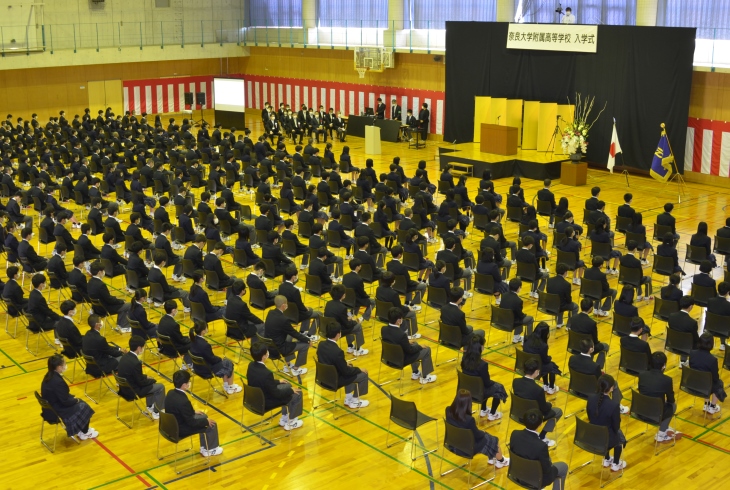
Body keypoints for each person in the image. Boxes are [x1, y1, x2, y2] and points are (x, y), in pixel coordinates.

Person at [165, 370, 224, 457]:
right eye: (188, 381)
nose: (189, 383)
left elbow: (179, 410)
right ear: (184, 385)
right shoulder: (183, 401)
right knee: (212, 424)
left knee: (203, 416)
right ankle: (211, 449)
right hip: (180, 429)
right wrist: (206, 422)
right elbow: (191, 422)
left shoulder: (171, 393)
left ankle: (204, 447)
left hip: (171, 425)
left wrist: (193, 411)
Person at [445, 389, 510, 467]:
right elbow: (478, 435)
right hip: (467, 448)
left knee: (487, 439)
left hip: (454, 442)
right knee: (494, 440)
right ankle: (501, 461)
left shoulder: (448, 410)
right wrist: (484, 432)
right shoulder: (469, 420)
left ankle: (493, 457)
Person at [40, 354, 98, 441]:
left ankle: (81, 429)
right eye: (64, 364)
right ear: (59, 367)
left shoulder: (49, 375)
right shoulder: (57, 382)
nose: (65, 365)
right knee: (83, 406)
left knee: (79, 403)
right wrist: (76, 400)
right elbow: (65, 401)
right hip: (57, 409)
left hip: (50, 407)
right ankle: (85, 432)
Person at [317, 322, 371, 408]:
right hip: (333, 381)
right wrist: (359, 369)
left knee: (349, 366)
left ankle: (348, 397)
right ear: (338, 334)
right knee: (363, 375)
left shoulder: (321, 344)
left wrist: (344, 364)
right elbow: (346, 372)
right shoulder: (338, 352)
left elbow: (327, 360)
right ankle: (354, 400)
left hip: (322, 378)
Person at [512, 359, 562, 445]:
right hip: (532, 418)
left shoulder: (515, 382)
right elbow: (544, 409)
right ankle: (542, 436)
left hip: (518, 413)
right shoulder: (538, 390)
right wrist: (549, 404)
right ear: (536, 372)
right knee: (558, 412)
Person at [381, 307, 437, 384]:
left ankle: (415, 372)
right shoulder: (401, 334)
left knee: (414, 343)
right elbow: (410, 351)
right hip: (400, 360)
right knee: (426, 350)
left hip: (389, 357)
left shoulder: (383, 329)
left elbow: (393, 340)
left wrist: (407, 342)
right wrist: (420, 346)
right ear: (398, 321)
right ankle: (425, 377)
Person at [117, 335, 165, 419]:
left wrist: (146, 377)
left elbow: (134, 375)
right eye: (143, 347)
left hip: (124, 388)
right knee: (160, 387)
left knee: (149, 382)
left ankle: (150, 407)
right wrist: (152, 380)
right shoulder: (136, 363)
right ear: (139, 348)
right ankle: (156, 412)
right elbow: (141, 382)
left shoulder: (124, 357)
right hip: (133, 391)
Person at [587, 374, 628, 472]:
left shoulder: (590, 398)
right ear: (611, 388)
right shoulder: (613, 405)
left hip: (593, 435)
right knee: (620, 438)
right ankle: (616, 463)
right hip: (606, 439)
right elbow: (616, 426)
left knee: (606, 430)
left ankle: (607, 459)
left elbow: (589, 416)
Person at [189, 320, 242, 394]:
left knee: (225, 363)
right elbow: (212, 359)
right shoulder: (205, 345)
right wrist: (220, 359)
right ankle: (230, 387)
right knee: (229, 363)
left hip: (197, 367)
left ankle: (226, 385)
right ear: (203, 331)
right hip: (207, 370)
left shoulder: (193, 339)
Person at [461, 336, 507, 419]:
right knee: (499, 387)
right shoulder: (482, 364)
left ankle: (483, 409)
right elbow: (487, 383)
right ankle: (492, 414)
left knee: (482, 384)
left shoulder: (464, 359)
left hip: (468, 388)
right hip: (479, 392)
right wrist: (494, 383)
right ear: (480, 347)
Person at [264, 295, 311, 376]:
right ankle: (296, 368)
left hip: (269, 346)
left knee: (289, 336)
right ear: (283, 305)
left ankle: (288, 364)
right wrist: (307, 340)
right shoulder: (283, 320)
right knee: (305, 345)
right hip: (278, 349)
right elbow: (294, 333)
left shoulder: (270, 312)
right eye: (286, 304)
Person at [638, 352, 679, 443]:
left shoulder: (642, 375)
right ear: (663, 365)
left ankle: (664, 427)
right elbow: (671, 400)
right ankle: (661, 433)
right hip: (656, 414)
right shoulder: (667, 380)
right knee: (673, 406)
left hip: (640, 411)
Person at [87, 261, 132, 332]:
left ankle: (120, 325)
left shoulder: (90, 282)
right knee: (128, 305)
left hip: (97, 308)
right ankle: (123, 326)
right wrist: (120, 301)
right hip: (105, 308)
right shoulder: (101, 285)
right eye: (103, 271)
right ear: (99, 272)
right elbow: (109, 299)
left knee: (119, 302)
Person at [324, 285, 368, 355]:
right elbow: (347, 324)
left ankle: (350, 346)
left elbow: (337, 316)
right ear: (343, 295)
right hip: (337, 331)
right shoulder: (342, 307)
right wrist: (355, 321)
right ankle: (358, 349)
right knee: (358, 326)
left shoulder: (328, 303)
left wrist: (347, 319)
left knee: (348, 322)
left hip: (328, 328)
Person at [689, 332, 726, 414]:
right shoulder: (712, 360)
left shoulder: (692, 353)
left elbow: (692, 368)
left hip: (692, 383)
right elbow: (715, 378)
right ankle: (712, 407)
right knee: (719, 383)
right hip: (706, 386)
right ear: (711, 344)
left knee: (704, 380)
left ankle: (706, 404)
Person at [524, 322, 562, 394]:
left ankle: (545, 385)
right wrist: (549, 358)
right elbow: (545, 360)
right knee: (552, 366)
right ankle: (551, 388)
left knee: (547, 364)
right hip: (536, 366)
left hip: (527, 363)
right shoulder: (543, 346)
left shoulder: (527, 337)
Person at [569, 298, 610, 362]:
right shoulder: (591, 323)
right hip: (586, 348)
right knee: (605, 346)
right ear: (591, 308)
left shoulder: (573, 318)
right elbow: (595, 341)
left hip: (574, 346)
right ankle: (597, 367)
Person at [668, 296, 699, 366]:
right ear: (691, 307)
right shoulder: (692, 322)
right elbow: (695, 339)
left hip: (673, 343)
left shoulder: (671, 316)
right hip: (686, 346)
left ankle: (683, 361)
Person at [157, 300, 192, 364]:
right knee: (192, 344)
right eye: (176, 309)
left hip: (165, 347)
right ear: (173, 310)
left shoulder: (162, 319)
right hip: (173, 350)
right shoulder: (174, 325)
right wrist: (189, 339)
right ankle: (187, 364)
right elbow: (180, 340)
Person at [501, 278, 534, 343]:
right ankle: (528, 341)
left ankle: (516, 337)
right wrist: (524, 315)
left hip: (502, 320)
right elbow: (520, 316)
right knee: (530, 319)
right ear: (519, 288)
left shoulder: (504, 295)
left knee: (517, 317)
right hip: (512, 322)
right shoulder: (518, 301)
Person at [546, 263, 578, 327]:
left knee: (560, 301)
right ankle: (569, 326)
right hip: (560, 306)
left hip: (550, 305)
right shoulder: (566, 284)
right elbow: (569, 300)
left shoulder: (549, 280)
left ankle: (559, 322)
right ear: (565, 272)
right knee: (575, 307)